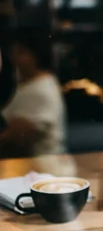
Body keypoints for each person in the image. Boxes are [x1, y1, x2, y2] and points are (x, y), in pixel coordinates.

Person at [0, 30, 66, 158]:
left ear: (36, 56)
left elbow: (18, 135)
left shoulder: (41, 87)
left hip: (40, 164)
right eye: (14, 52)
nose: (15, 58)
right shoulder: (21, 83)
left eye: (22, 53)